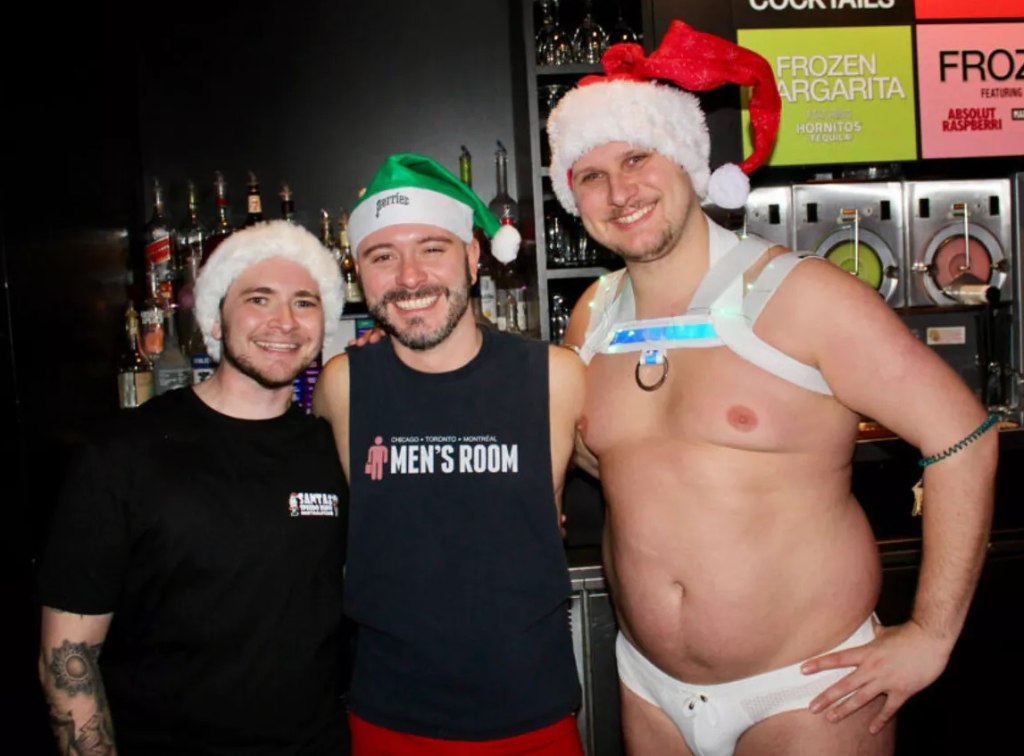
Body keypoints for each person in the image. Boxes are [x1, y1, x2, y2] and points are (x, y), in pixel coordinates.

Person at [546, 20, 998, 756]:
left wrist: (931, 633)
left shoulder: (800, 295)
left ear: (687, 162)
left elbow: (964, 436)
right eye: (589, 176)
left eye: (636, 158)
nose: (619, 191)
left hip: (807, 691)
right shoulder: (594, 315)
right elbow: (616, 459)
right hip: (650, 689)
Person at [36, 220, 352, 755]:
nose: (284, 322)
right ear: (215, 318)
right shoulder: (123, 453)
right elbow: (67, 660)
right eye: (259, 299)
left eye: (305, 302)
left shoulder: (331, 448)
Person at [313, 153, 586, 755]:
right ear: (359, 272)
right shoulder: (342, 386)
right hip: (387, 716)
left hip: (533, 712)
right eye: (382, 256)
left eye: (432, 248)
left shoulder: (556, 377)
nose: (409, 278)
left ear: (472, 255)